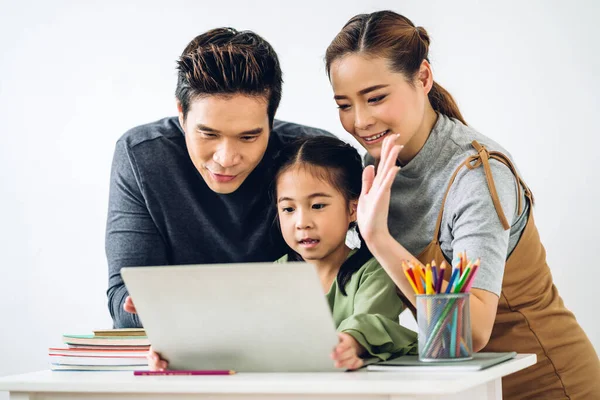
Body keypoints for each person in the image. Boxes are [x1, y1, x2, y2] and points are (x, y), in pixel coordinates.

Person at [325, 10, 600, 399]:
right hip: (471, 386)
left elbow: (471, 330)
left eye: (376, 98)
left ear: (422, 78)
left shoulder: (476, 176)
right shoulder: (376, 166)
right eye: (344, 104)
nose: (360, 121)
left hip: (547, 382)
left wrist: (378, 237)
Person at [106, 27, 330, 328]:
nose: (226, 158)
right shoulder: (142, 156)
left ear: (271, 121)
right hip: (180, 357)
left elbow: (340, 283)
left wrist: (179, 306)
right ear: (182, 115)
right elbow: (123, 298)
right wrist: (141, 308)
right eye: (207, 134)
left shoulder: (312, 157)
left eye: (249, 137)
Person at [148, 136, 417, 371]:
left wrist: (352, 342)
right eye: (288, 209)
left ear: (352, 209)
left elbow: (372, 322)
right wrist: (177, 347)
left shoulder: (373, 271)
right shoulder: (273, 275)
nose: (302, 222)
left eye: (318, 205)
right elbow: (237, 333)